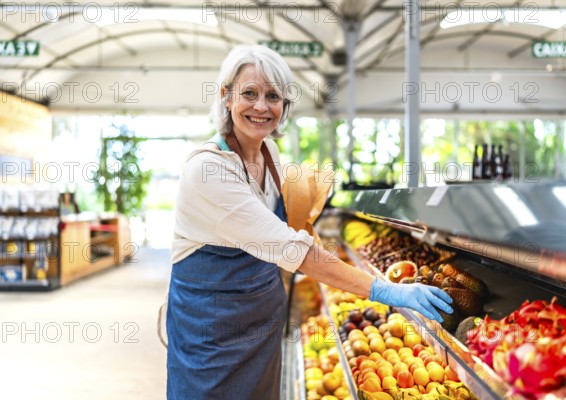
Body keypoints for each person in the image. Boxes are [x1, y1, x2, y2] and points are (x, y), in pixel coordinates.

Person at [166, 44, 453, 400]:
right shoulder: (207, 170)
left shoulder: (269, 152)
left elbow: (285, 227)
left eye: (273, 96)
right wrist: (385, 290)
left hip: (262, 323)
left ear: (284, 104)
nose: (261, 106)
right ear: (226, 97)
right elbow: (291, 249)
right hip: (213, 335)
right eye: (249, 93)